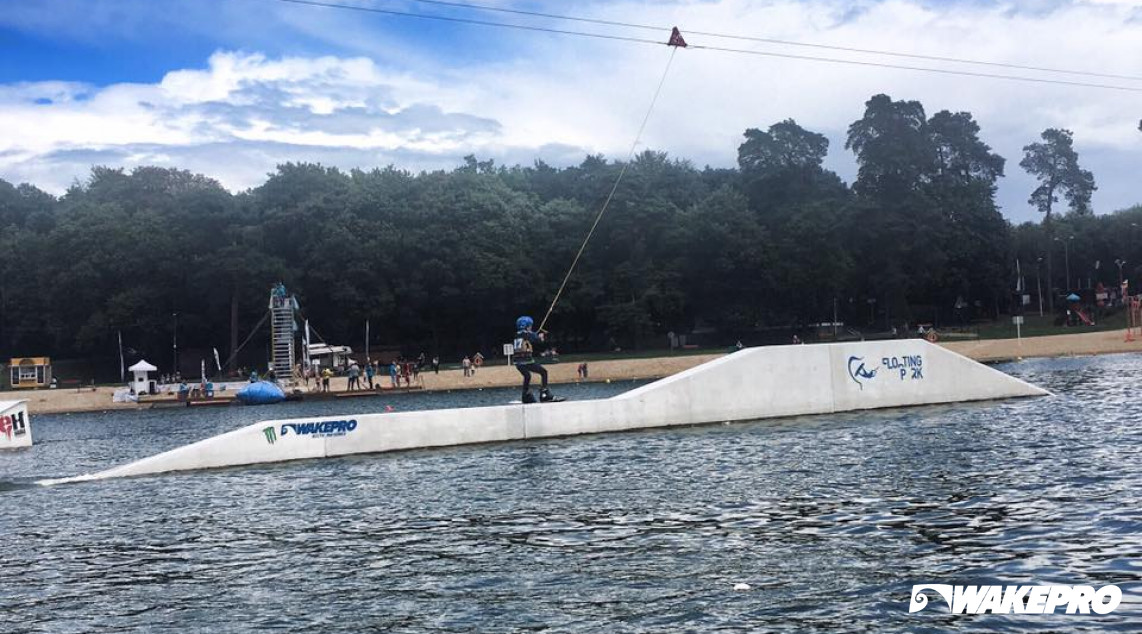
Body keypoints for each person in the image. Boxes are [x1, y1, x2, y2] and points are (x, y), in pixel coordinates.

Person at [513, 315, 556, 403]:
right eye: (530, 326)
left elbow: (530, 338)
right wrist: (541, 337)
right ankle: (544, 393)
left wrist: (535, 335)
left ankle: (526, 394)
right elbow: (538, 340)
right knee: (544, 372)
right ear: (526, 326)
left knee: (527, 376)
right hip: (527, 361)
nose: (531, 327)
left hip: (518, 363)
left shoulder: (517, 334)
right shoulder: (527, 334)